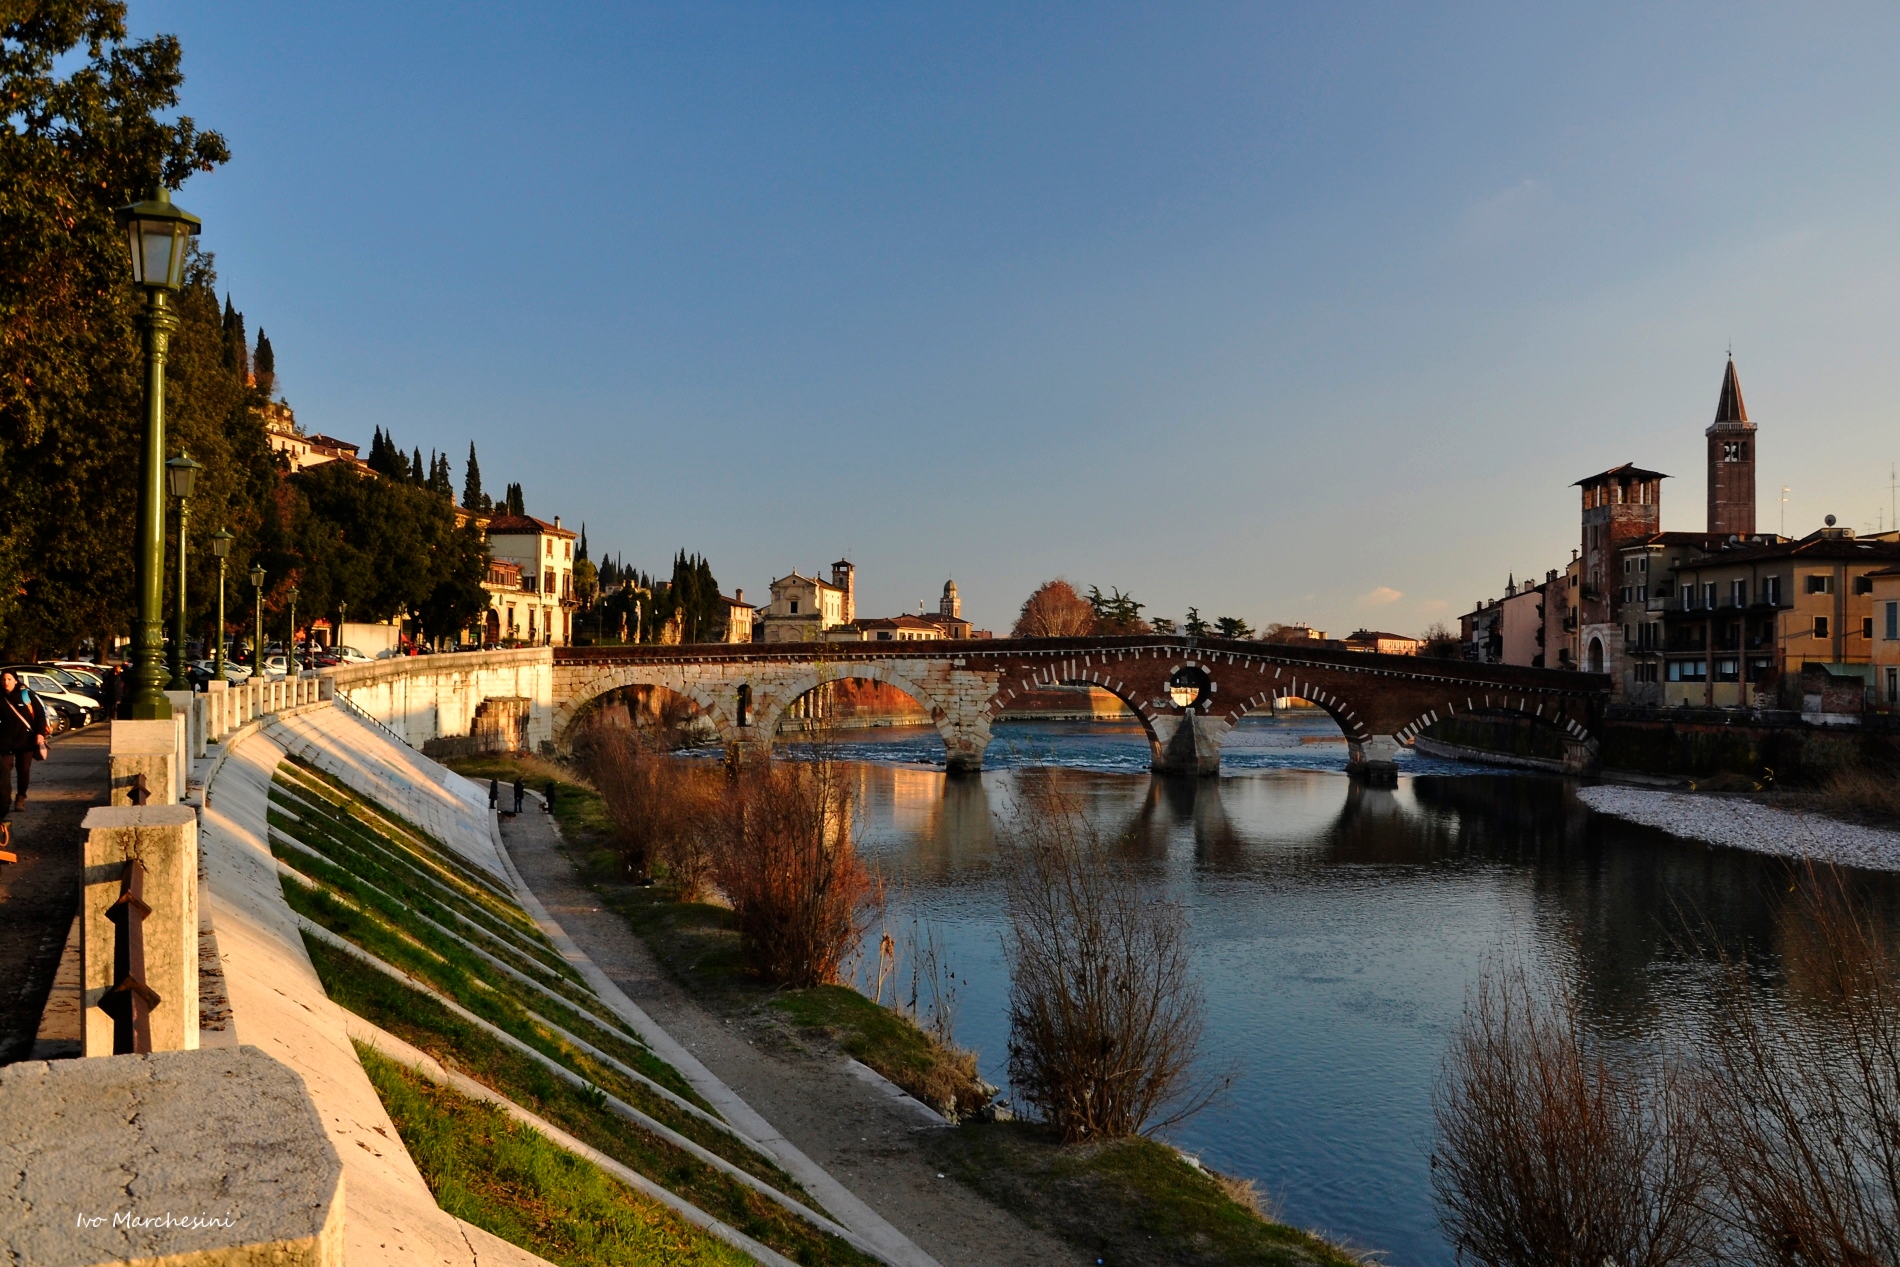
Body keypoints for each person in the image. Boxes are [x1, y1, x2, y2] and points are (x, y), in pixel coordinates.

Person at [0, 669, 50, 832]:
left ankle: (20, 798)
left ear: (15, 680)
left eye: (9, 679)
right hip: (5, 741)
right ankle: (4, 800)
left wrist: (40, 734)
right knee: (4, 771)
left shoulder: (25, 694)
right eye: (3, 679)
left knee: (23, 770)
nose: (6, 682)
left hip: (26, 740)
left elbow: (41, 715)